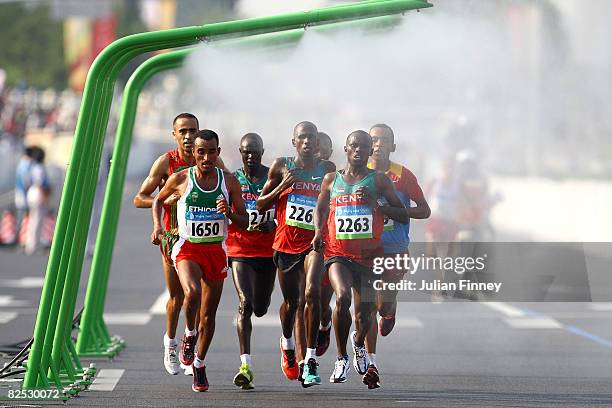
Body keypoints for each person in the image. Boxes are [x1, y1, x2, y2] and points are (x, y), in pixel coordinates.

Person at [151, 129, 247, 392]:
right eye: (201, 152)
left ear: (218, 153)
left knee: (209, 315)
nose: (206, 157)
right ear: (193, 153)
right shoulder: (181, 178)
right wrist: (158, 227)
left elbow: (245, 220)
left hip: (215, 250)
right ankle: (189, 335)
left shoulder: (229, 182)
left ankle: (200, 364)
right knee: (190, 292)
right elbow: (157, 201)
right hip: (187, 248)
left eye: (211, 152)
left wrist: (229, 212)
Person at [313, 130, 409, 385]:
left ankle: (358, 343)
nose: (358, 150)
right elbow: (321, 208)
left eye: (363, 147)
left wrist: (377, 207)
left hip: (368, 257)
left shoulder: (379, 181)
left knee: (364, 315)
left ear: (369, 152)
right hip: (338, 253)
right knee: (342, 296)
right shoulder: (331, 180)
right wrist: (317, 232)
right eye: (354, 146)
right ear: (345, 149)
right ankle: (341, 358)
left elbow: (402, 214)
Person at [134, 113, 224, 376]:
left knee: (196, 296)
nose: (187, 136)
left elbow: (230, 186)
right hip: (174, 237)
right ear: (174, 134)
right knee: (178, 296)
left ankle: (191, 344)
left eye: (192, 131)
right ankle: (171, 344)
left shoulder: (211, 159)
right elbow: (141, 197)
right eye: (182, 131)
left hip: (203, 238)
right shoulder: (166, 163)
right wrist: (168, 201)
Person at [256, 121, 335, 387]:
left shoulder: (328, 170)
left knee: (310, 294)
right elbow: (260, 203)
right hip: (286, 245)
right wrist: (282, 186)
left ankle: (309, 360)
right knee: (292, 305)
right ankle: (287, 342)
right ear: (294, 142)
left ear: (317, 142)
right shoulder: (281, 165)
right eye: (302, 137)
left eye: (311, 137)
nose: (307, 142)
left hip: (314, 244)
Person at [361, 123, 430, 388]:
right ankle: (371, 363)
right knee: (365, 305)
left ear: (393, 146)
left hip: (395, 250)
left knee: (382, 306)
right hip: (365, 250)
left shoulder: (404, 175)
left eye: (384, 140)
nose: (378, 145)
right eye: (374, 140)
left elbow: (425, 210)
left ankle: (389, 312)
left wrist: (396, 211)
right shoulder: (358, 173)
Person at [226, 133, 277, 390]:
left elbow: (287, 209)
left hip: (268, 253)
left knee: (260, 307)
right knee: (245, 304)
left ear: (262, 152)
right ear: (240, 152)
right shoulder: (233, 180)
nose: (250, 156)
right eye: (246, 152)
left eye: (255, 152)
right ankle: (245, 365)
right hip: (240, 251)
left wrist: (275, 223)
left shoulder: (273, 177)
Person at [315, 131, 334, 357]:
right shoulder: (297, 173)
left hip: (328, 246)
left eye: (324, 148)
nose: (319, 152)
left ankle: (324, 323)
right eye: (315, 147)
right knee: (304, 296)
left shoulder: (337, 178)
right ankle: (304, 355)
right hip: (299, 244)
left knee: (321, 300)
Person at [24, 146, 51, 255]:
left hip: (31, 191)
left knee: (32, 219)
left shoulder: (31, 167)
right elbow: (40, 183)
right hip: (38, 192)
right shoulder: (40, 168)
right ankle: (34, 245)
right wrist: (44, 196)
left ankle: (30, 244)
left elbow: (26, 181)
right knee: (37, 220)